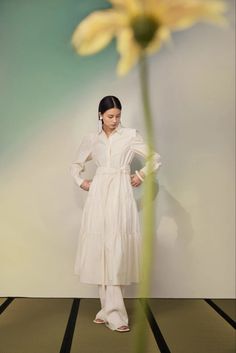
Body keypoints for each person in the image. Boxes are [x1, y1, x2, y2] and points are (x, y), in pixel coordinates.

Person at [70, 95, 162, 332]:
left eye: (118, 115)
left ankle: (116, 314)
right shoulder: (92, 139)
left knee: (117, 249)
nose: (115, 120)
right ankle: (107, 310)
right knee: (102, 248)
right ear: (100, 115)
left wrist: (140, 176)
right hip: (99, 194)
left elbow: (155, 158)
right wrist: (82, 182)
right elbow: (75, 164)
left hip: (121, 194)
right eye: (110, 116)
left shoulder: (130, 136)